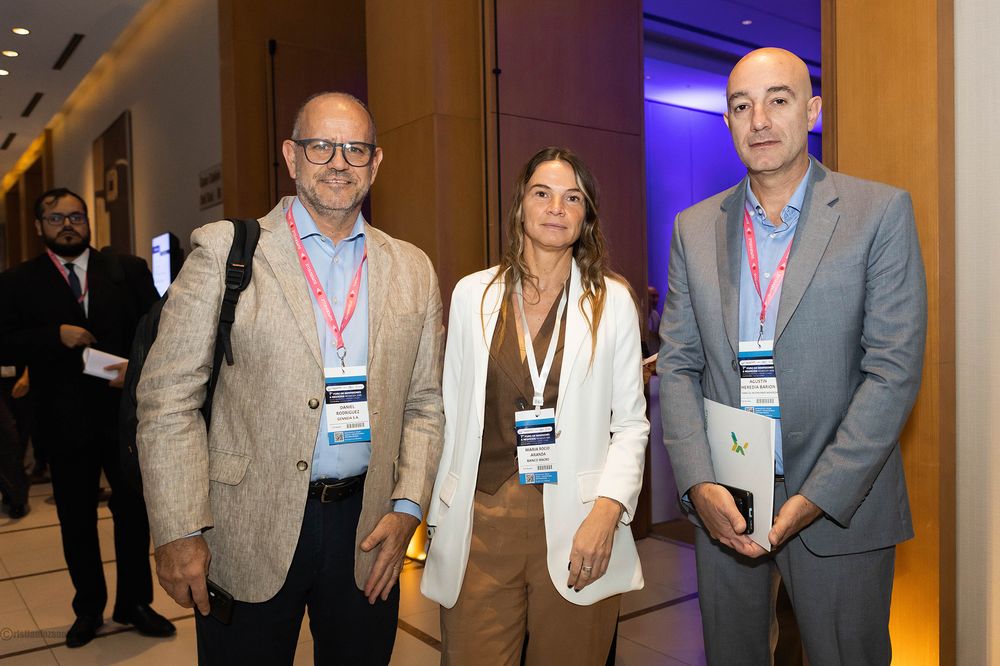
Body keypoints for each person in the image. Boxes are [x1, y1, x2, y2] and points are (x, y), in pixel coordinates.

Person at [136, 91, 444, 665]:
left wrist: (407, 508)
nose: (338, 161)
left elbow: (425, 403)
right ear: (291, 155)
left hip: (367, 527)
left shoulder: (412, 268)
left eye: (355, 149)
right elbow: (166, 399)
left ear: (375, 163)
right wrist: (177, 528)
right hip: (248, 523)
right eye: (320, 145)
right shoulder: (226, 251)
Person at [658, 47, 927, 665]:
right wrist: (699, 482)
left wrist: (817, 495)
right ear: (726, 122)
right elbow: (676, 365)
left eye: (778, 99)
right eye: (741, 106)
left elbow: (892, 371)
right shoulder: (693, 228)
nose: (759, 120)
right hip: (728, 501)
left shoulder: (878, 213)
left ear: (812, 110)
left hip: (841, 503)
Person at [421, 146, 649, 665]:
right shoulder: (470, 296)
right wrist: (439, 513)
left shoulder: (612, 302)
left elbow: (631, 425)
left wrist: (607, 515)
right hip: (483, 520)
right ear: (520, 206)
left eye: (573, 198)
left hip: (579, 523)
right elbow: (449, 415)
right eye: (542, 194)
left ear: (586, 215)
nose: (556, 208)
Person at [0, 188, 174, 647]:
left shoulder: (126, 270)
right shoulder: (19, 281)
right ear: (39, 226)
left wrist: (134, 373)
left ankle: (135, 602)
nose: (68, 225)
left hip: (124, 416)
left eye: (75, 216)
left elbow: (160, 329)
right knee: (76, 519)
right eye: (56, 218)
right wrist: (51, 335)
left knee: (134, 513)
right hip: (62, 420)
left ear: (88, 221)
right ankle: (89, 609)